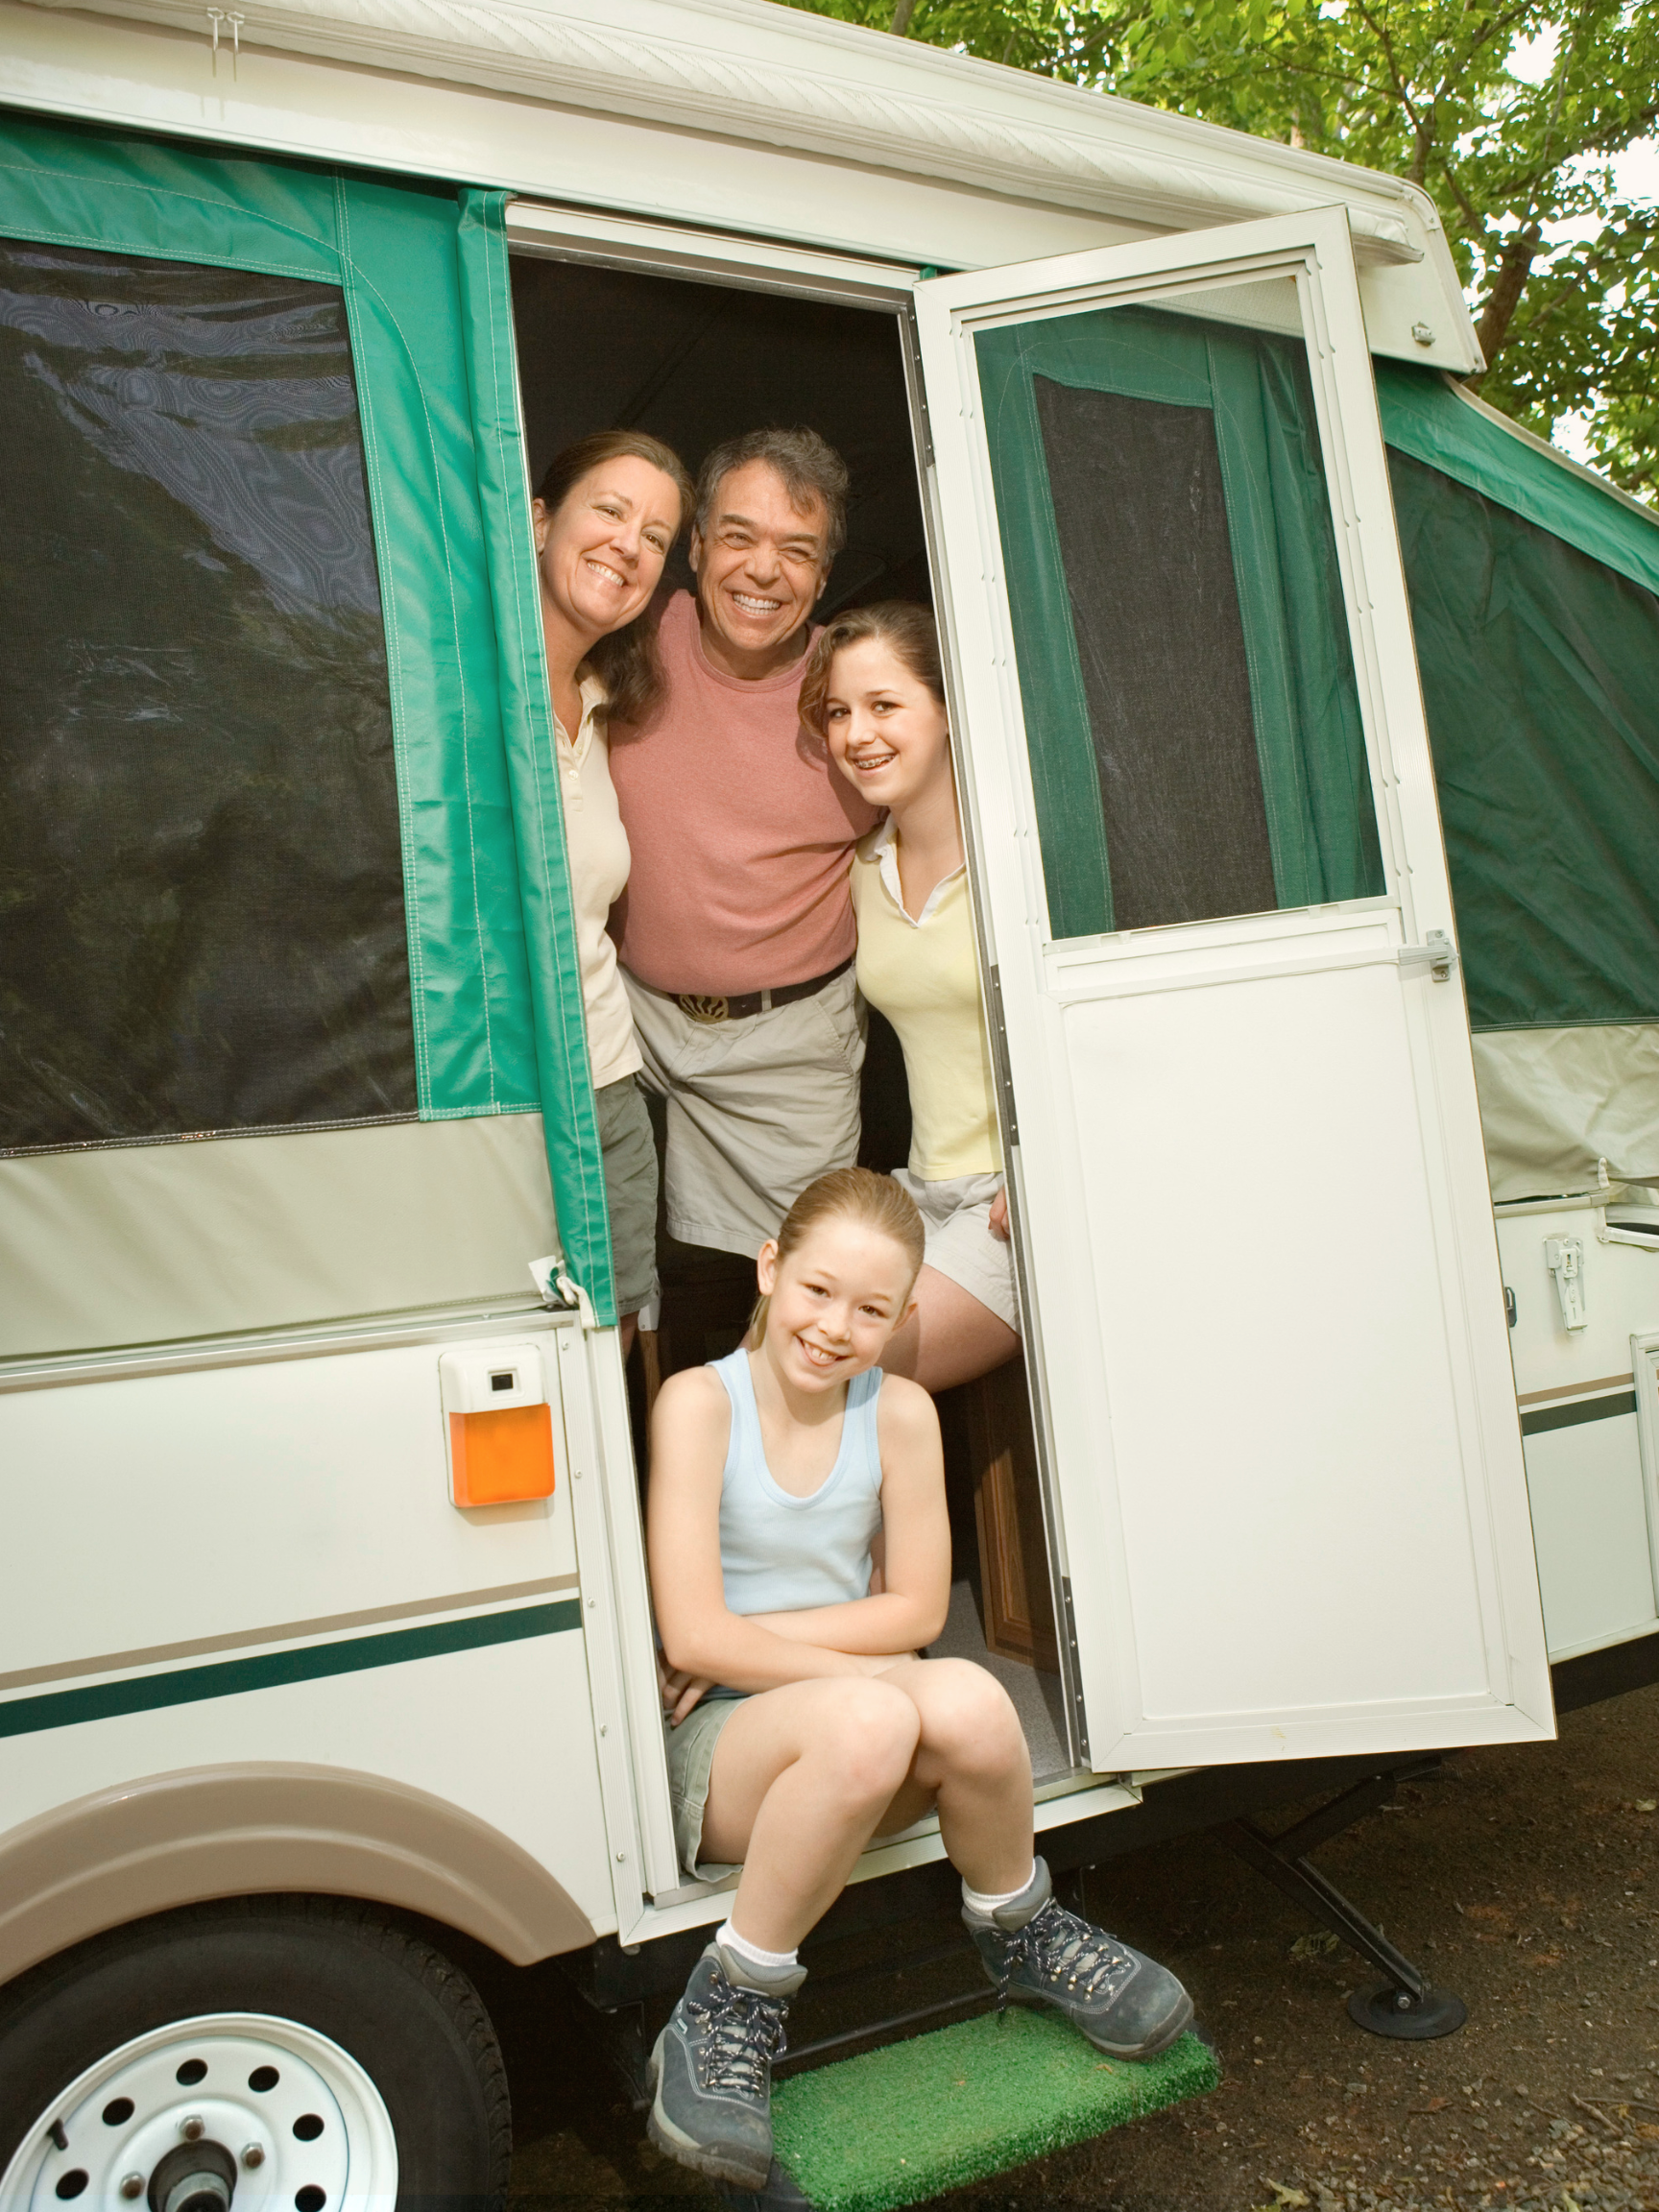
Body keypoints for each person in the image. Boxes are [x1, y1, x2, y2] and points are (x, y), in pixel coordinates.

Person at [644, 1167, 1191, 2191]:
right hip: (729, 1755)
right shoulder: (697, 1404)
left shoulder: (896, 1411)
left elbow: (919, 1614)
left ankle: (1019, 1928)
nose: (834, 1326)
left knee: (974, 1701)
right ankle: (728, 1999)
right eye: (816, 1290)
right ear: (770, 1269)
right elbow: (692, 1636)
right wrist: (869, 1667)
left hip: (857, 1736)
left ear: (903, 1316)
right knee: (871, 1714)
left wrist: (774, 1639)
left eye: (871, 1309)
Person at [606, 427, 879, 1262]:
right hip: (627, 1015)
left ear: (824, 577)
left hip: (788, 1046)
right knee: (596, 1253)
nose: (764, 571)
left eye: (797, 551)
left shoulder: (859, 688)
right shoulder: (629, 637)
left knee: (806, 1290)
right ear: (692, 548)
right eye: (737, 537)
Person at [801, 603, 1018, 1392]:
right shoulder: (860, 867)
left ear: (950, 705)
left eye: (884, 705)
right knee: (780, 1346)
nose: (858, 734)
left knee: (839, 1373)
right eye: (838, 713)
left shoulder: (1020, 860)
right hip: (919, 1194)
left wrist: (1038, 1165)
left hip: (1011, 1203)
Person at [532, 429, 694, 1352]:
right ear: (540, 519)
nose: (630, 545)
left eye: (657, 537)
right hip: (502, 1092)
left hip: (606, 1082)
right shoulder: (464, 686)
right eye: (610, 511)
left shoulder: (599, 705)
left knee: (620, 1341)